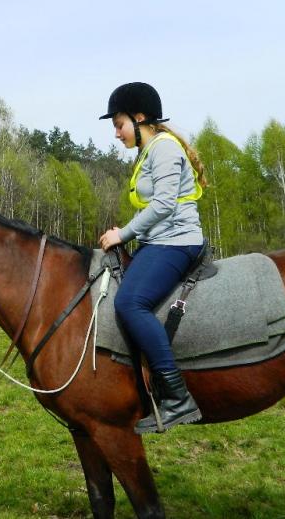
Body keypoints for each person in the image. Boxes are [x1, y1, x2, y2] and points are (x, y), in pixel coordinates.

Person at [97, 82, 208, 435]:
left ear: (140, 117)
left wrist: (124, 234)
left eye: (119, 124)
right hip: (159, 241)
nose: (116, 133)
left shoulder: (164, 148)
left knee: (130, 303)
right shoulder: (149, 151)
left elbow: (163, 205)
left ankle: (177, 396)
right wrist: (130, 232)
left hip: (177, 243)